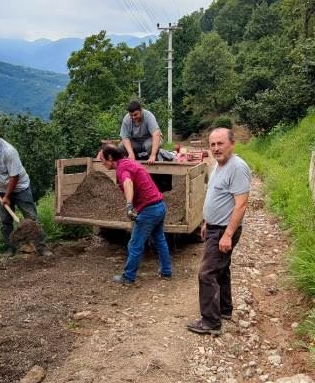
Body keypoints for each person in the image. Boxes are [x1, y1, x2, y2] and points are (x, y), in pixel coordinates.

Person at [187, 128, 251, 335]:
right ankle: (224, 310)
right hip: (215, 227)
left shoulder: (238, 167)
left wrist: (228, 234)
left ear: (232, 143)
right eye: (212, 144)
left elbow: (241, 205)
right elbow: (217, 197)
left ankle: (211, 322)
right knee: (221, 270)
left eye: (220, 143)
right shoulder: (219, 165)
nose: (216, 148)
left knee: (207, 273)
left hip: (224, 230)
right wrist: (207, 222)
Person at [102, 144, 171, 284]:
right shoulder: (128, 162)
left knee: (135, 244)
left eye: (102, 159)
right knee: (159, 240)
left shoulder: (122, 168)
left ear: (110, 158)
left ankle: (128, 277)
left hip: (149, 210)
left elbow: (127, 182)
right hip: (160, 206)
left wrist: (128, 205)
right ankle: (166, 271)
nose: (101, 163)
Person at [0, 124, 52, 258]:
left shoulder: (9, 151)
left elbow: (15, 177)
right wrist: (3, 194)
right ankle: (11, 248)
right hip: (0, 189)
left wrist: (7, 196)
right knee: (5, 220)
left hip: (20, 188)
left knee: (31, 218)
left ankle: (42, 247)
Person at [119, 100, 162, 165]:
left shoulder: (148, 116)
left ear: (141, 110)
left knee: (149, 145)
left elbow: (156, 134)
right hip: (136, 143)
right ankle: (131, 163)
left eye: (135, 115)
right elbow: (125, 138)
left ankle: (155, 162)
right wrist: (130, 153)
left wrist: (153, 155)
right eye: (131, 115)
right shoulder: (126, 119)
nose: (133, 117)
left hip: (148, 140)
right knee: (121, 146)